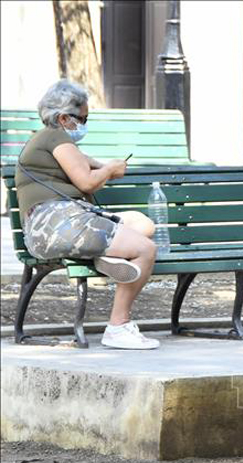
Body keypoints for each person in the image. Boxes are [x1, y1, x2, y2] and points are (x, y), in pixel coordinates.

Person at [15, 80, 160, 350]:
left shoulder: (52, 142)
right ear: (63, 117)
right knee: (146, 250)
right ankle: (118, 327)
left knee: (143, 224)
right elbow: (86, 182)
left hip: (60, 224)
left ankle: (101, 256)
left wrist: (105, 166)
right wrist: (109, 170)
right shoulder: (54, 135)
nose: (84, 124)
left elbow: (88, 165)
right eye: (82, 118)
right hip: (56, 223)